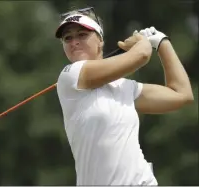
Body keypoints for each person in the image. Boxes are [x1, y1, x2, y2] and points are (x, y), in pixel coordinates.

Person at [55, 7, 194, 185]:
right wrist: (142, 42)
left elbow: (182, 94)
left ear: (100, 41)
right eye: (68, 38)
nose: (74, 41)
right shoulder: (70, 76)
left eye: (82, 35)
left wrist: (161, 42)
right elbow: (142, 54)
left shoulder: (125, 87)